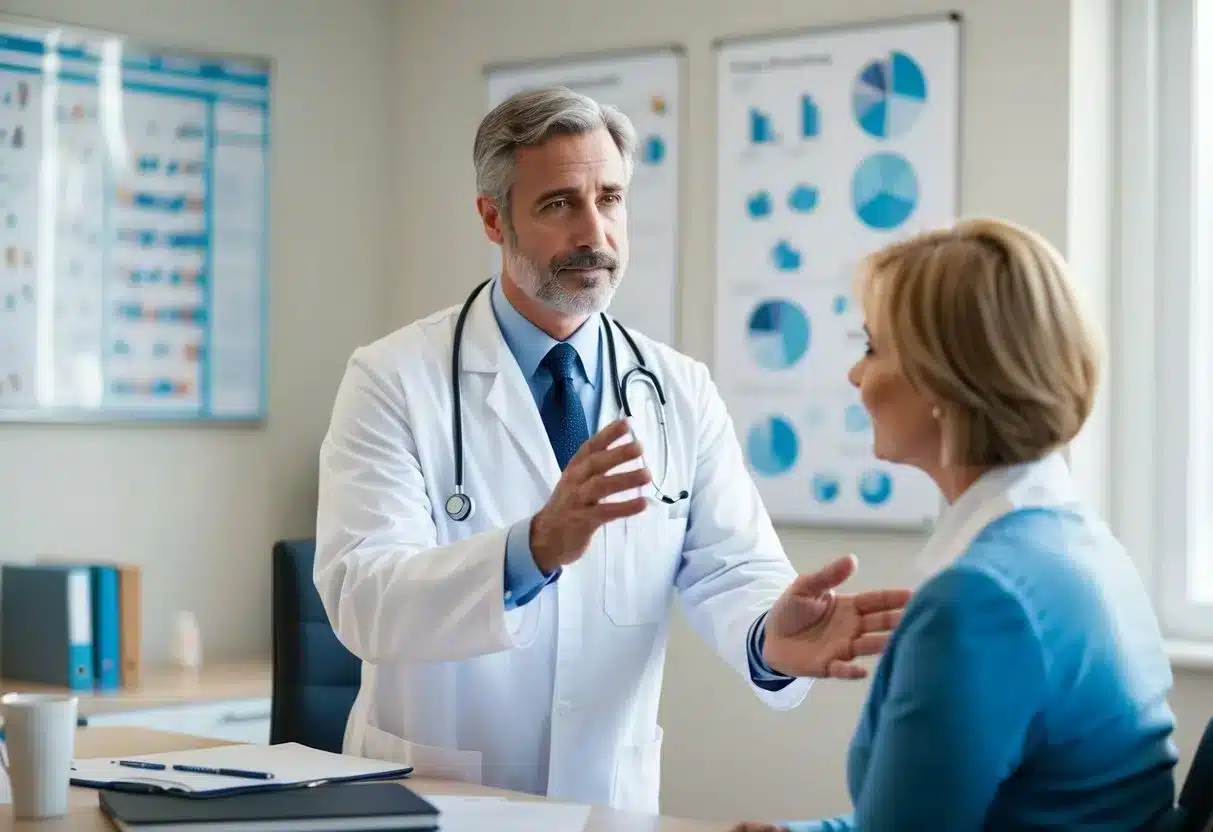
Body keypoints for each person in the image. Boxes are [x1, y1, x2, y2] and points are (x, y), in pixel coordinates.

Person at [313, 86, 911, 815]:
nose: (594, 233)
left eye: (611, 198)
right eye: (559, 203)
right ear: (491, 217)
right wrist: (530, 547)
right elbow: (360, 596)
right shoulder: (393, 379)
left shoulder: (676, 388)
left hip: (605, 798)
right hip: (437, 793)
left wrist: (770, 638)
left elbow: (732, 567)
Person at [732, 218, 1179, 832]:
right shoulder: (1077, 543)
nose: (856, 377)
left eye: (871, 348)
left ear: (945, 378)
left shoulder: (979, 600)